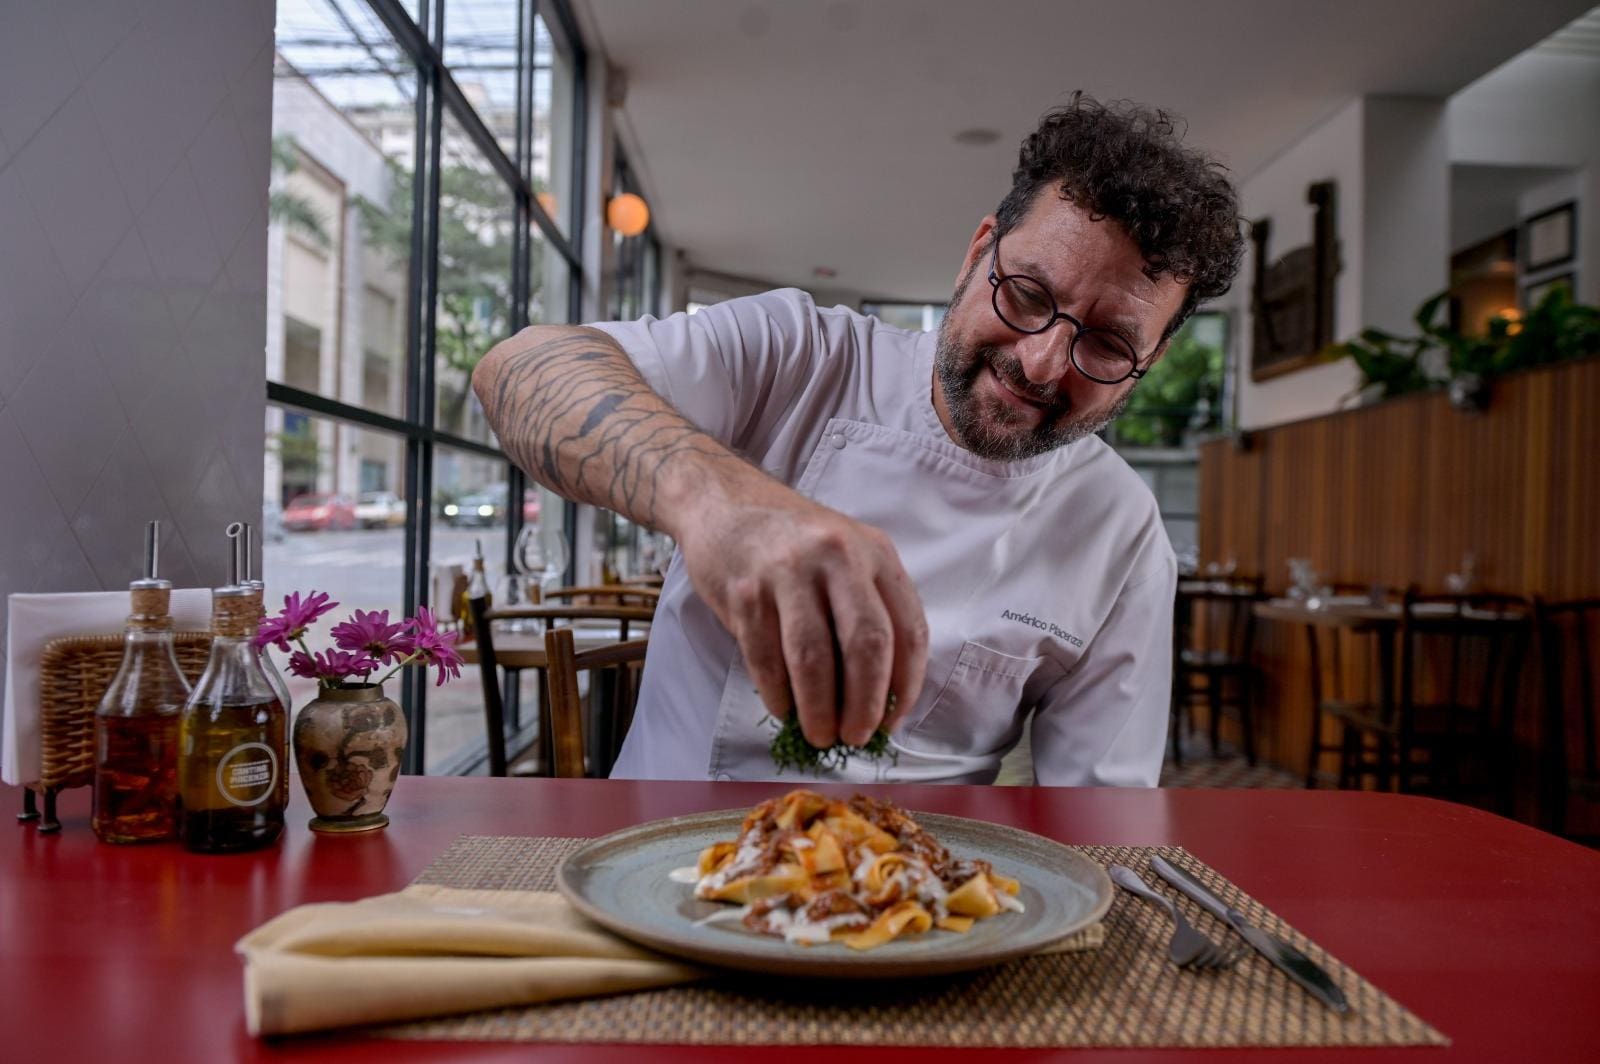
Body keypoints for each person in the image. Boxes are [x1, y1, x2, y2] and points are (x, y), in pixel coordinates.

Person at [473, 93, 1244, 785]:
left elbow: (1100, 819)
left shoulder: (1123, 532)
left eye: (1108, 344)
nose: (1040, 363)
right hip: (656, 864)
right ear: (978, 255)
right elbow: (517, 369)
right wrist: (714, 501)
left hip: (916, 910)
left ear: (1152, 361)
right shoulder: (799, 351)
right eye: (1028, 294)